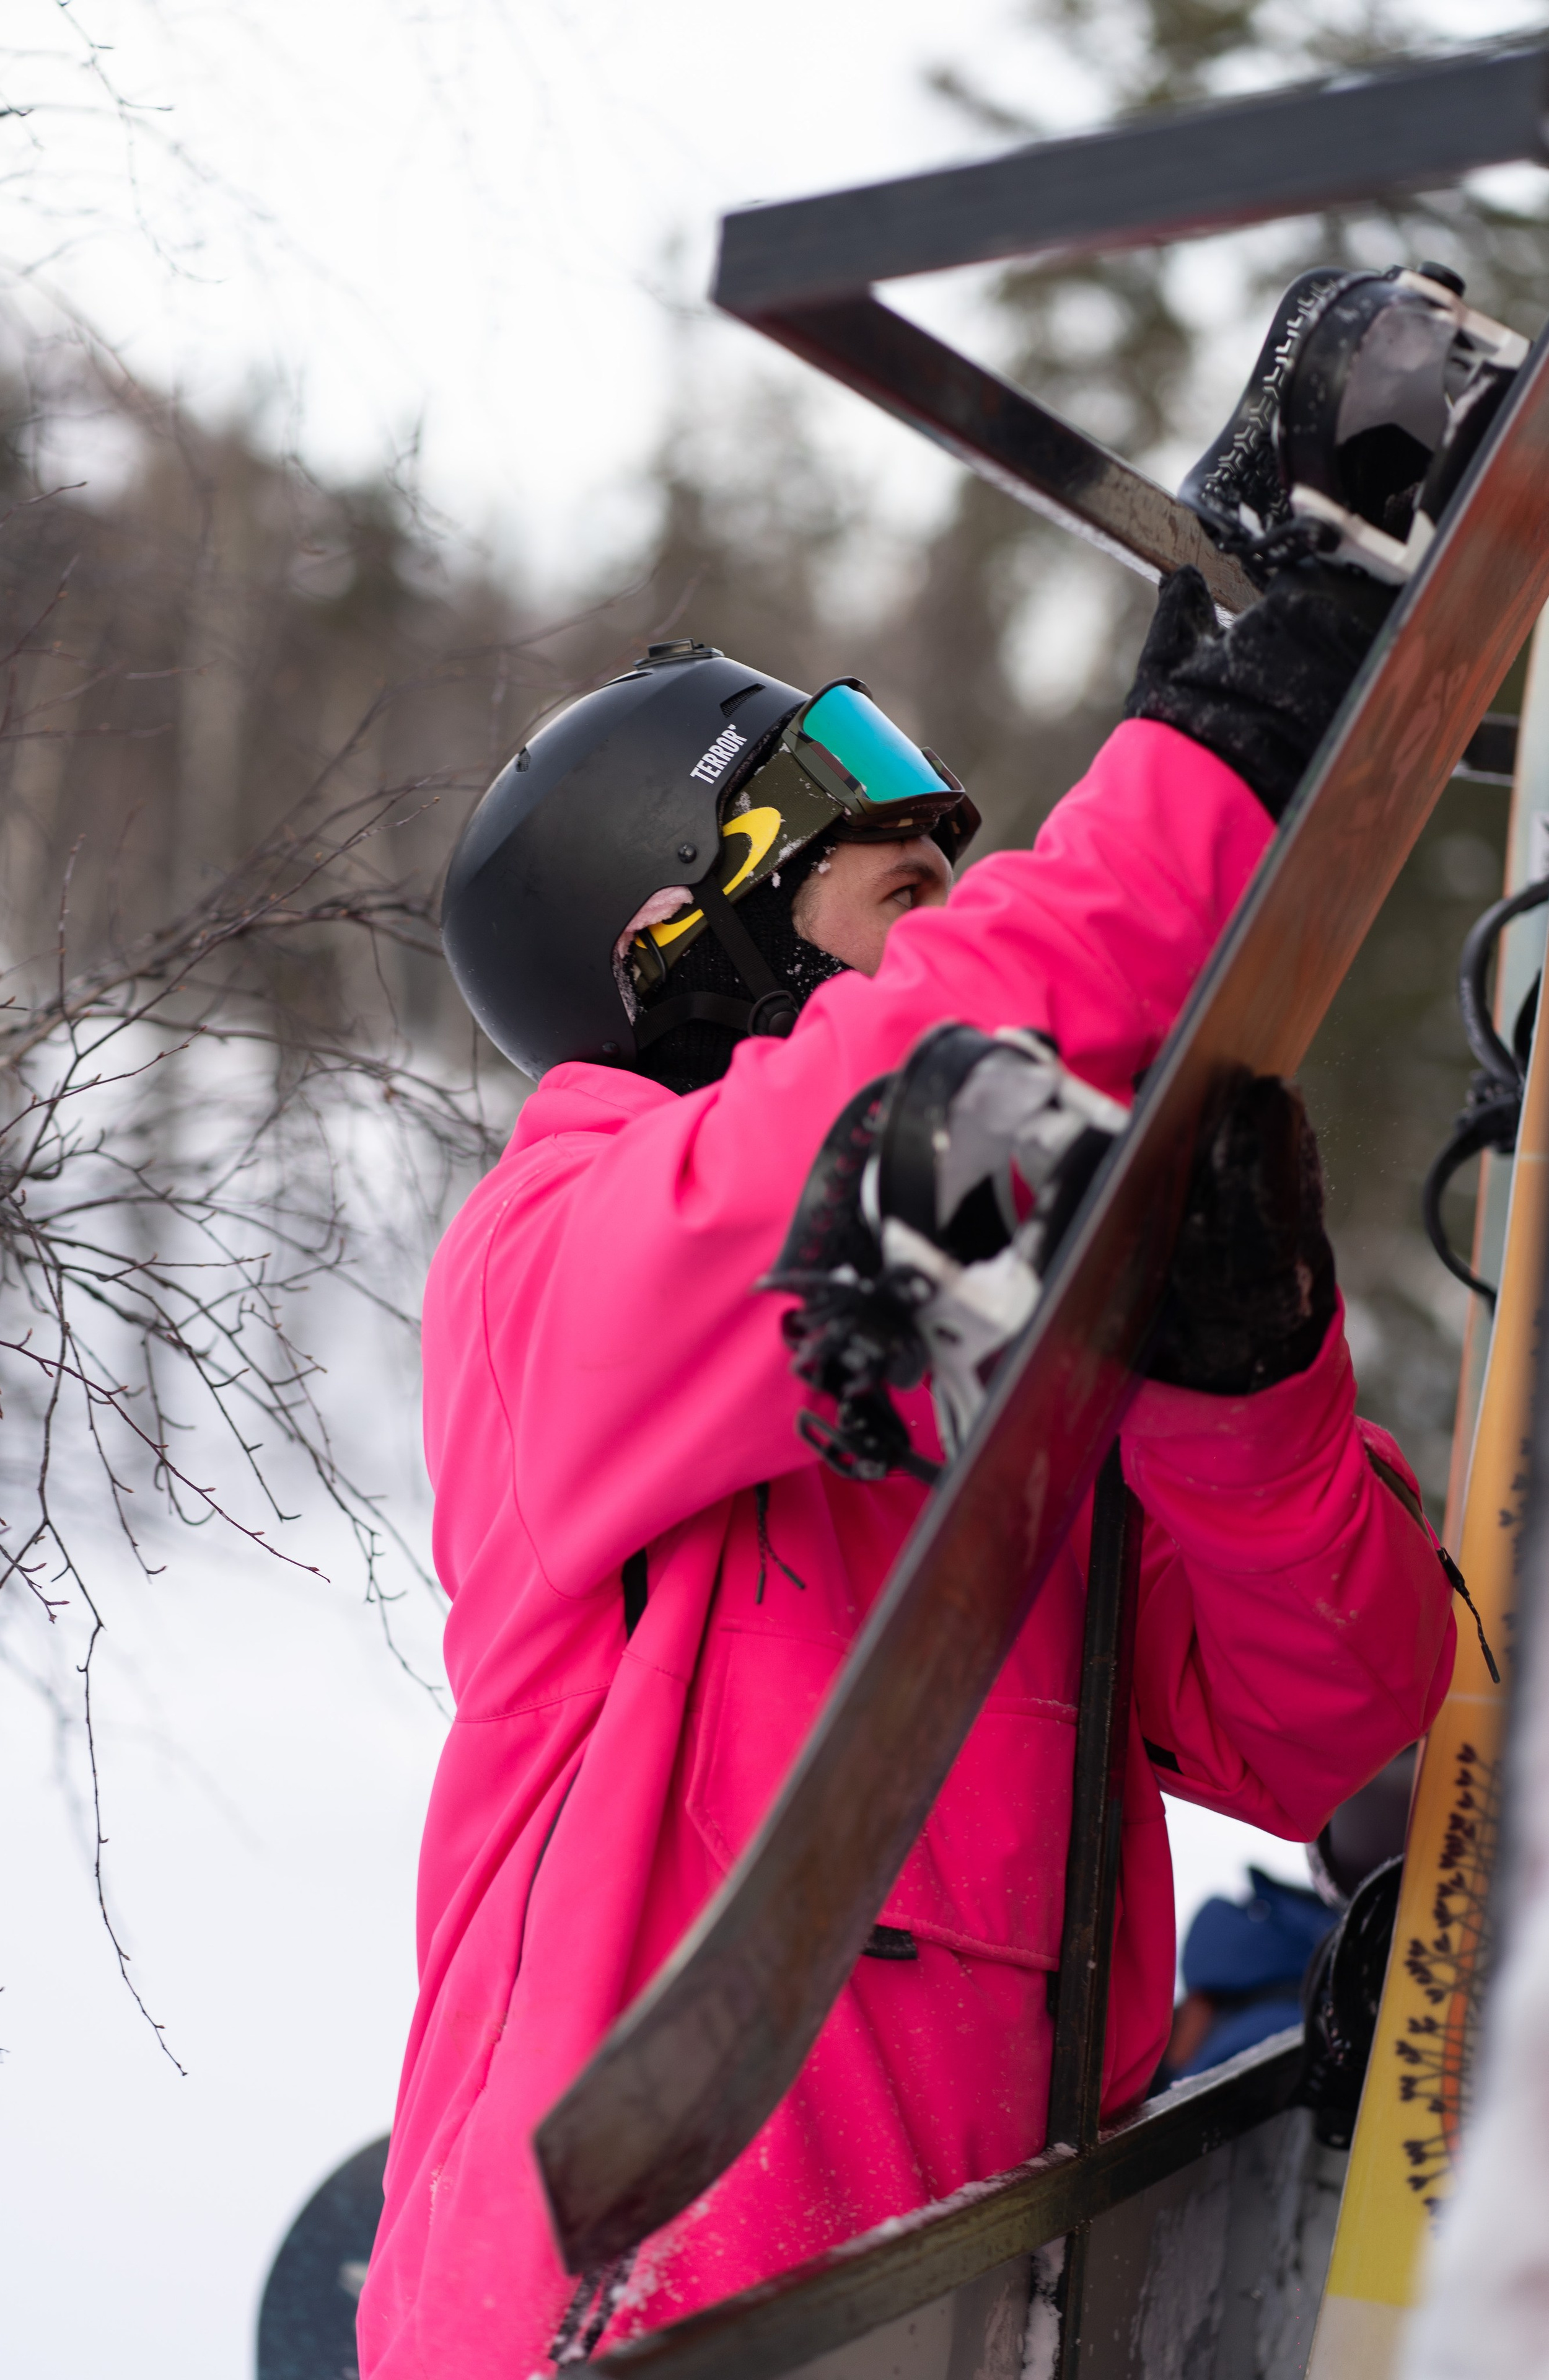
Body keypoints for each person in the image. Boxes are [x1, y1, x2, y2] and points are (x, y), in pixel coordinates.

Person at [357, 278, 1472, 2378]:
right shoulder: (558, 1262)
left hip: (1005, 2298)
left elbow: (1335, 1717)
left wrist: (1245, 1390)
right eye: (894, 892)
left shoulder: (982, 1343)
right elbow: (893, 1091)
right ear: (682, 937)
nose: (955, 916)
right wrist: (1221, 742)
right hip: (620, 2316)